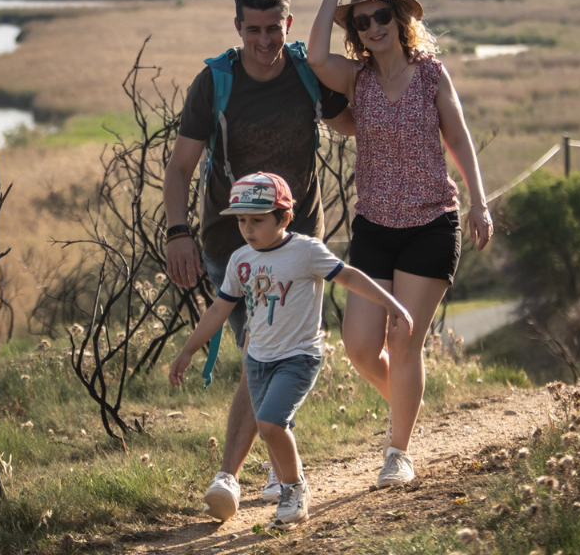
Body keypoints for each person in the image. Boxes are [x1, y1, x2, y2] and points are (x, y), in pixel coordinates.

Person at [163, 0, 356, 521]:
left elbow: (355, 124)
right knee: (260, 351)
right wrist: (178, 233)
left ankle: (272, 468)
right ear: (238, 28)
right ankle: (234, 474)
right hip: (234, 241)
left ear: (288, 24)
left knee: (280, 351)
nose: (266, 41)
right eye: (255, 31)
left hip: (299, 239)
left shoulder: (305, 72)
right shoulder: (215, 82)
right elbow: (180, 166)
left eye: (275, 29)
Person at [306, 0, 493, 488]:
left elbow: (458, 135)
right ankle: (408, 407)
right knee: (361, 347)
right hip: (375, 227)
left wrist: (479, 202)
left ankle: (398, 451)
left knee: (403, 337)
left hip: (432, 222)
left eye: (381, 15)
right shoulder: (356, 79)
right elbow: (315, 59)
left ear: (401, 18)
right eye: (361, 20)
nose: (372, 26)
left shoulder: (432, 74)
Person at [169, 172, 412, 527]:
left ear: (283, 218)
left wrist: (391, 303)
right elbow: (219, 309)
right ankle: (288, 485)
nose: (248, 229)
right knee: (273, 427)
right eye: (241, 221)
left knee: (269, 423)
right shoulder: (240, 260)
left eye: (257, 220)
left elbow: (349, 277)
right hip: (258, 359)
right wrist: (188, 351)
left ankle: (294, 490)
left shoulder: (305, 251)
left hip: (298, 357)